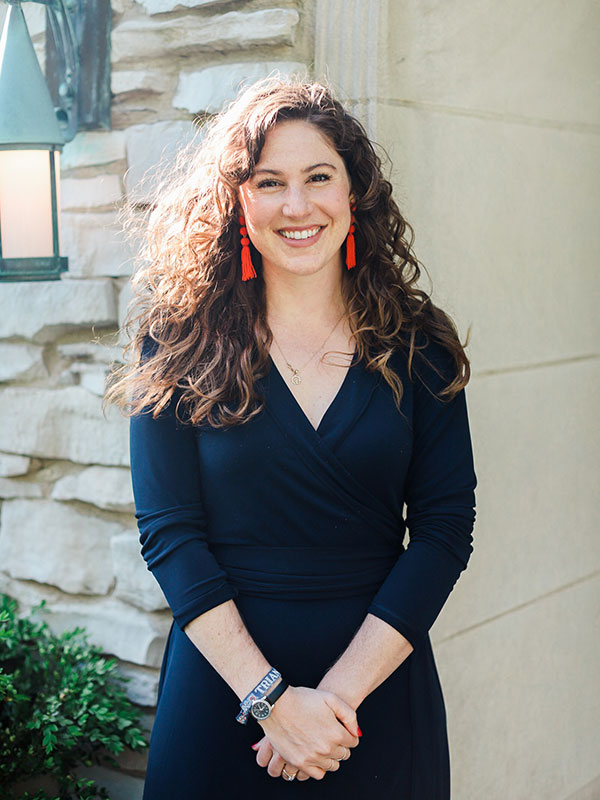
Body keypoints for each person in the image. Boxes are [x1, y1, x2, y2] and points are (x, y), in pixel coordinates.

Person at [104, 77, 477, 798]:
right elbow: (169, 534)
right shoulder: (176, 345)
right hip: (223, 695)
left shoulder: (418, 346)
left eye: (319, 177)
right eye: (269, 181)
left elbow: (443, 530)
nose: (297, 206)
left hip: (373, 697)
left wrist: (332, 706)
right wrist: (271, 701)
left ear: (354, 194)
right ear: (238, 202)